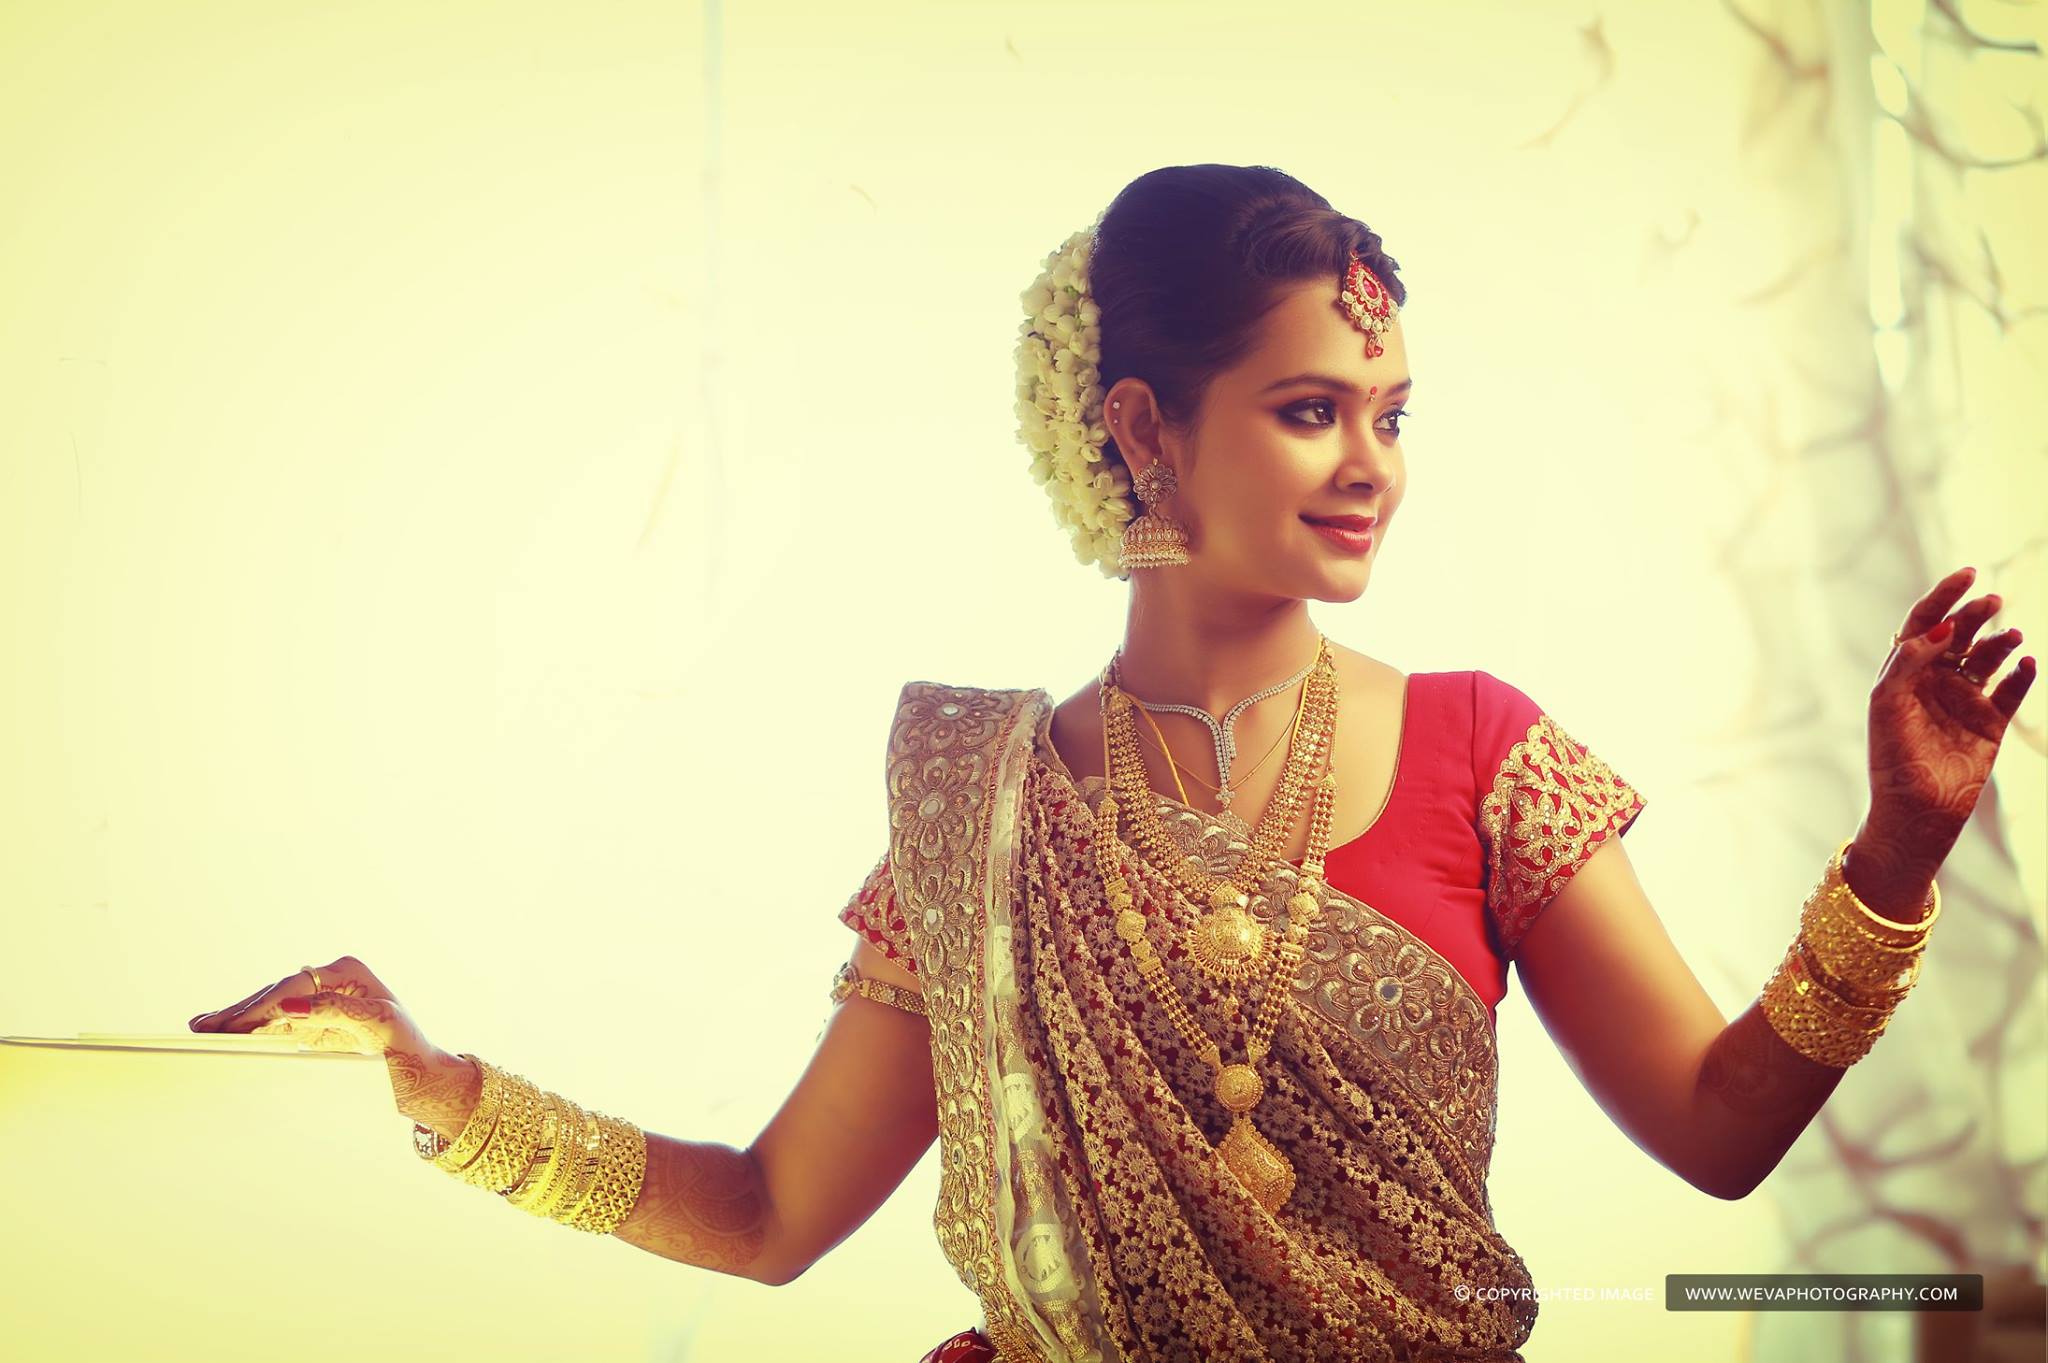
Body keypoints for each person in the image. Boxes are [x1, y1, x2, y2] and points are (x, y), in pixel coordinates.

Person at [188, 164, 2035, 1362]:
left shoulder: (1481, 750)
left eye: (1393, 416)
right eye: (1310, 411)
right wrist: (443, 1091)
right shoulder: (981, 811)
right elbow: (768, 1218)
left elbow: (1718, 1138)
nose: (1371, 467)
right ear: (1142, 428)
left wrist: (1898, 848)